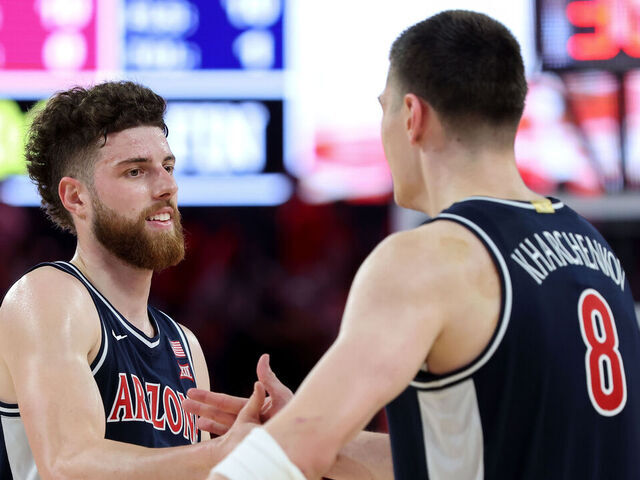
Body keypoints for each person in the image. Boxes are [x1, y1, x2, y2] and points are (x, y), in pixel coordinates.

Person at [194, 10, 640, 479]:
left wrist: (299, 435)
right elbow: (479, 460)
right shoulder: (593, 248)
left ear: (412, 115)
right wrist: (319, 422)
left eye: (383, 106)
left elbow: (285, 458)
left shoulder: (429, 257)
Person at [0, 81, 276, 479]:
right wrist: (221, 454)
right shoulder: (48, 296)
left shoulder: (184, 345)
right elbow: (68, 465)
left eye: (167, 167)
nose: (167, 187)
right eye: (135, 171)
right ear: (77, 198)